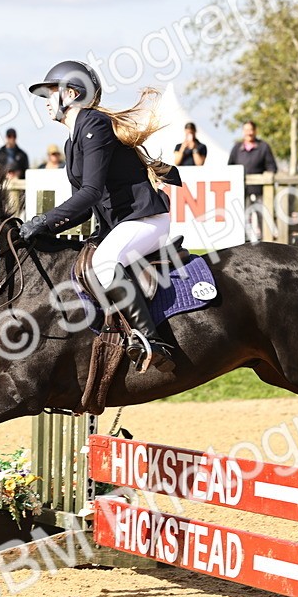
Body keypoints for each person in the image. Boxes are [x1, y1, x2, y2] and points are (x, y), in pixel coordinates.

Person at [20, 60, 182, 373]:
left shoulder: (93, 124)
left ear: (70, 93)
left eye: (50, 94)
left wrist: (44, 220)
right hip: (121, 225)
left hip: (145, 219)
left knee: (105, 262)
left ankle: (150, 339)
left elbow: (91, 192)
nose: (46, 103)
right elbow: (81, 202)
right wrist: (46, 231)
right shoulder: (72, 141)